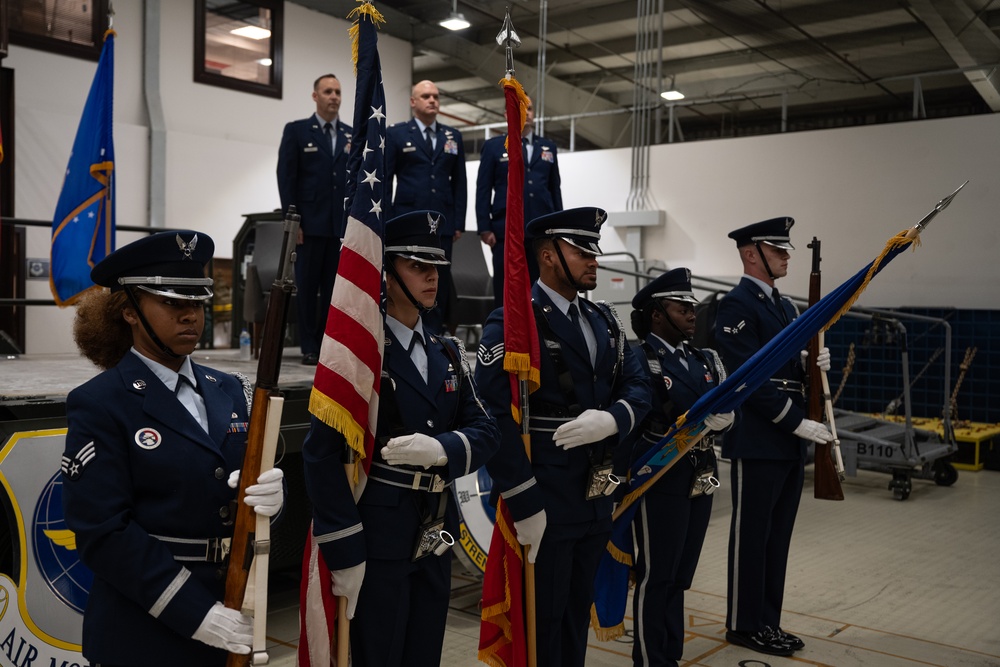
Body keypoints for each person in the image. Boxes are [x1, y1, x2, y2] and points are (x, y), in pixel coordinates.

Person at [62, 230, 285, 666]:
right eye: (172, 302)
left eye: (196, 303)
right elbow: (102, 532)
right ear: (128, 312)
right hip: (144, 629)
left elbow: (243, 484)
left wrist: (273, 500)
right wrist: (195, 612)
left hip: (233, 608)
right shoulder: (101, 402)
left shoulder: (230, 390)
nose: (190, 317)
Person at [301, 211, 499, 667]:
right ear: (385, 275)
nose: (432, 277)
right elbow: (320, 457)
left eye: (436, 267)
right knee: (380, 655)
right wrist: (344, 548)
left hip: (435, 531)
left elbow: (487, 431)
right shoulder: (361, 356)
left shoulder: (446, 351)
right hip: (378, 537)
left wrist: (443, 449)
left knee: (423, 652)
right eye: (417, 266)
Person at [474, 207, 651, 667]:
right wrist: (523, 500)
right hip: (546, 496)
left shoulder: (605, 319)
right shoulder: (514, 323)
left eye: (595, 250)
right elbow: (496, 416)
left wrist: (614, 420)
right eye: (582, 251)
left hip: (595, 495)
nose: (594, 261)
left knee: (575, 614)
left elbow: (638, 385)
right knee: (543, 622)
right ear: (549, 256)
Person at [714, 217, 833, 657]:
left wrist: (811, 366)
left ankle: (768, 621)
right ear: (751, 254)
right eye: (777, 249)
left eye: (785, 250)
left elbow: (788, 372)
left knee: (777, 537)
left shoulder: (785, 307)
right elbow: (749, 381)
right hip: (759, 437)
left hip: (786, 440)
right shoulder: (736, 306)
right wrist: (794, 422)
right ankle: (744, 624)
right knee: (752, 537)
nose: (786, 256)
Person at [626, 268, 735, 667]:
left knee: (680, 574)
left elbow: (723, 403)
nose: (692, 314)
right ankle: (651, 659)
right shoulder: (638, 359)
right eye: (682, 307)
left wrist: (728, 419)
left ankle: (669, 654)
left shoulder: (703, 359)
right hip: (660, 477)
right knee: (657, 574)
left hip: (701, 473)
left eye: (693, 307)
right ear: (657, 314)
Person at [277, 73, 353, 365]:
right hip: (309, 225)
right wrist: (294, 221)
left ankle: (329, 344)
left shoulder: (351, 134)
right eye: (328, 91)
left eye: (337, 91)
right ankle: (309, 346)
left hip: (340, 226)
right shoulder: (297, 131)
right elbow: (287, 177)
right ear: (315, 96)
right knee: (308, 288)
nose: (334, 96)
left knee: (335, 290)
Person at [385, 80, 467, 332]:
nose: (432, 100)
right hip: (406, 221)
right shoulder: (396, 134)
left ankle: (432, 334)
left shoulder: (453, 136)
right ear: (413, 102)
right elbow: (386, 180)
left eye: (435, 96)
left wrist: (458, 223)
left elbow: (460, 183)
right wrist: (386, 222)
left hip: (441, 224)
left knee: (436, 278)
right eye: (425, 96)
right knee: (408, 277)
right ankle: (405, 329)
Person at [475, 98, 563, 306]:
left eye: (530, 108)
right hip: (505, 231)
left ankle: (540, 336)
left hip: (541, 231)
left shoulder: (548, 147)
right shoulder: (494, 147)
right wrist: (484, 227)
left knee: (542, 288)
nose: (527, 112)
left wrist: (559, 227)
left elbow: (554, 189)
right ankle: (503, 335)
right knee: (506, 290)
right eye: (521, 108)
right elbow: (483, 189)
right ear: (507, 115)